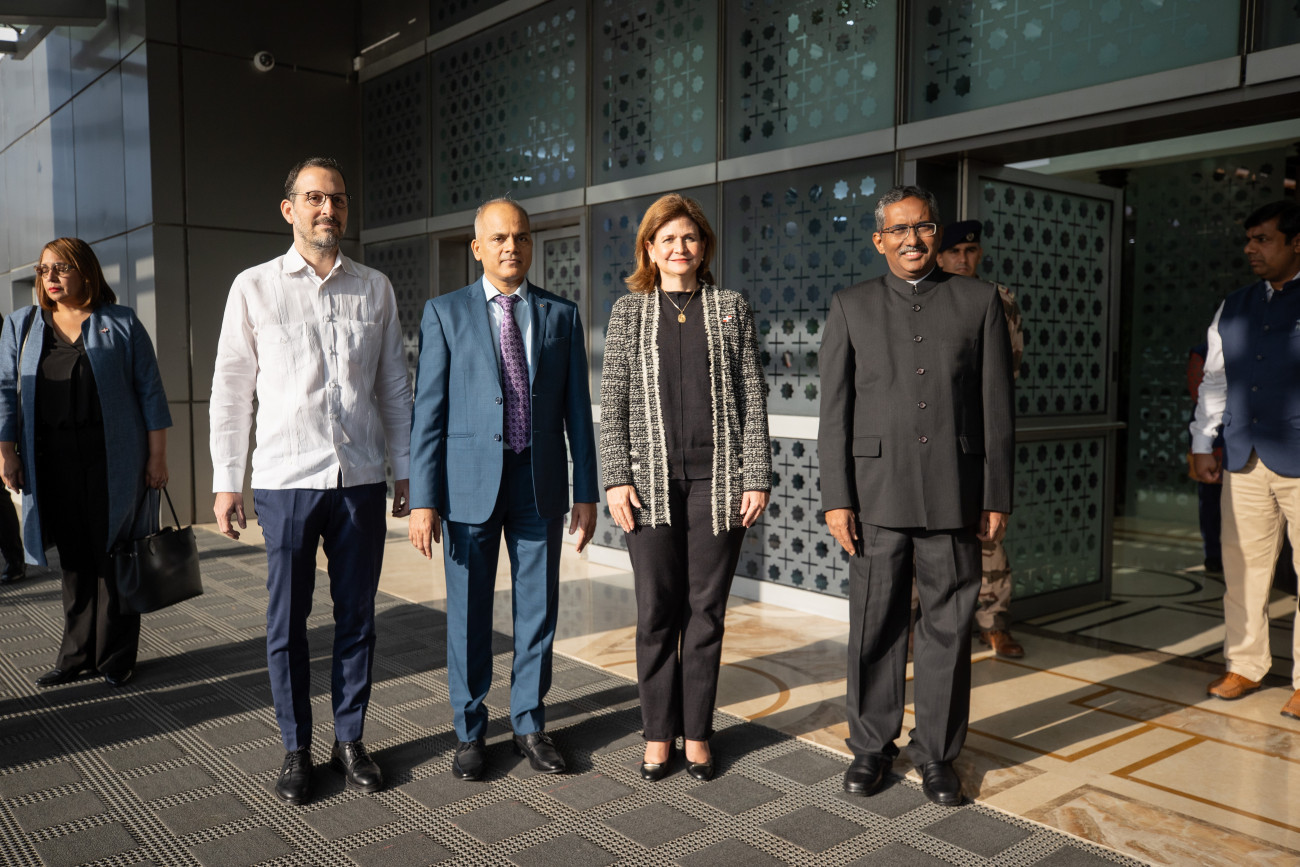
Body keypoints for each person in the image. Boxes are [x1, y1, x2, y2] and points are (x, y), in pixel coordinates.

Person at [210, 157, 413, 805]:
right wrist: (226, 478)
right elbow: (231, 389)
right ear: (289, 209)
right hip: (285, 480)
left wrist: (406, 468)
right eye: (315, 198)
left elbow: (393, 386)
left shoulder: (375, 288)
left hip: (360, 479)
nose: (329, 209)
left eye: (338, 199)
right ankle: (296, 747)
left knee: (357, 618)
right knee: (286, 623)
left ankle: (349, 739)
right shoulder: (254, 287)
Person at [818, 185, 1014, 806]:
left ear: (937, 233)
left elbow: (997, 407)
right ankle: (871, 747)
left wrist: (996, 494)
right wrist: (836, 497)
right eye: (898, 230)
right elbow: (834, 413)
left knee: (948, 631)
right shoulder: (851, 305)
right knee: (874, 626)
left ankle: (937, 754)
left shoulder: (979, 300)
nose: (912, 239)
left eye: (923, 227)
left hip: (955, 491)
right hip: (874, 496)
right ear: (879, 240)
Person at [409, 198, 598, 781]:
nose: (511, 246)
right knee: (469, 614)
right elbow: (428, 414)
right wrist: (423, 499)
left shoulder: (561, 315)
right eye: (498, 238)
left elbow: (577, 412)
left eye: (520, 236)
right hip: (468, 487)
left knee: (538, 610)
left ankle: (529, 724)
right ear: (477, 248)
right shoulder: (444, 313)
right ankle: (470, 732)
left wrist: (586, 491)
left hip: (538, 485)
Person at [600, 194, 771, 782]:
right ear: (649, 249)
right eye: (667, 239)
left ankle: (696, 731)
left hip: (717, 484)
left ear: (704, 247)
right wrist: (616, 478)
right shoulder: (628, 312)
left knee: (706, 612)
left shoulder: (730, 308)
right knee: (656, 612)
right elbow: (613, 406)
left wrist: (757, 475)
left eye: (690, 238)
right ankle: (657, 733)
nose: (680, 248)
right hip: (647, 486)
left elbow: (752, 398)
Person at [0, 237, 171, 687]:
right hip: (51, 459)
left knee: (115, 553)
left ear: (86, 271)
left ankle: (115, 656)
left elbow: (151, 393)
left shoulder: (120, 322)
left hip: (114, 458)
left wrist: (157, 457)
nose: (50, 278)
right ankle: (76, 655)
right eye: (44, 270)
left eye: (61, 268)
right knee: (74, 558)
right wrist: (6, 451)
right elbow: (4, 393)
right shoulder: (22, 325)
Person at [1190, 200, 1300, 721]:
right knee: (1243, 570)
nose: (1250, 249)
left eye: (1263, 239)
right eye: (1249, 239)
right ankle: (1246, 665)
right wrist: (1202, 441)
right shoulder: (1234, 304)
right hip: (1244, 457)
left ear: (1297, 242)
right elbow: (1216, 379)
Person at [936, 220, 1026, 659]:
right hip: (929, 434)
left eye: (971, 251)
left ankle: (994, 623)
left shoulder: (998, 298)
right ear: (938, 256)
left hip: (977, 434)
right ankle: (916, 622)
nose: (963, 259)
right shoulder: (923, 297)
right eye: (954, 252)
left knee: (987, 532)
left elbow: (1009, 369)